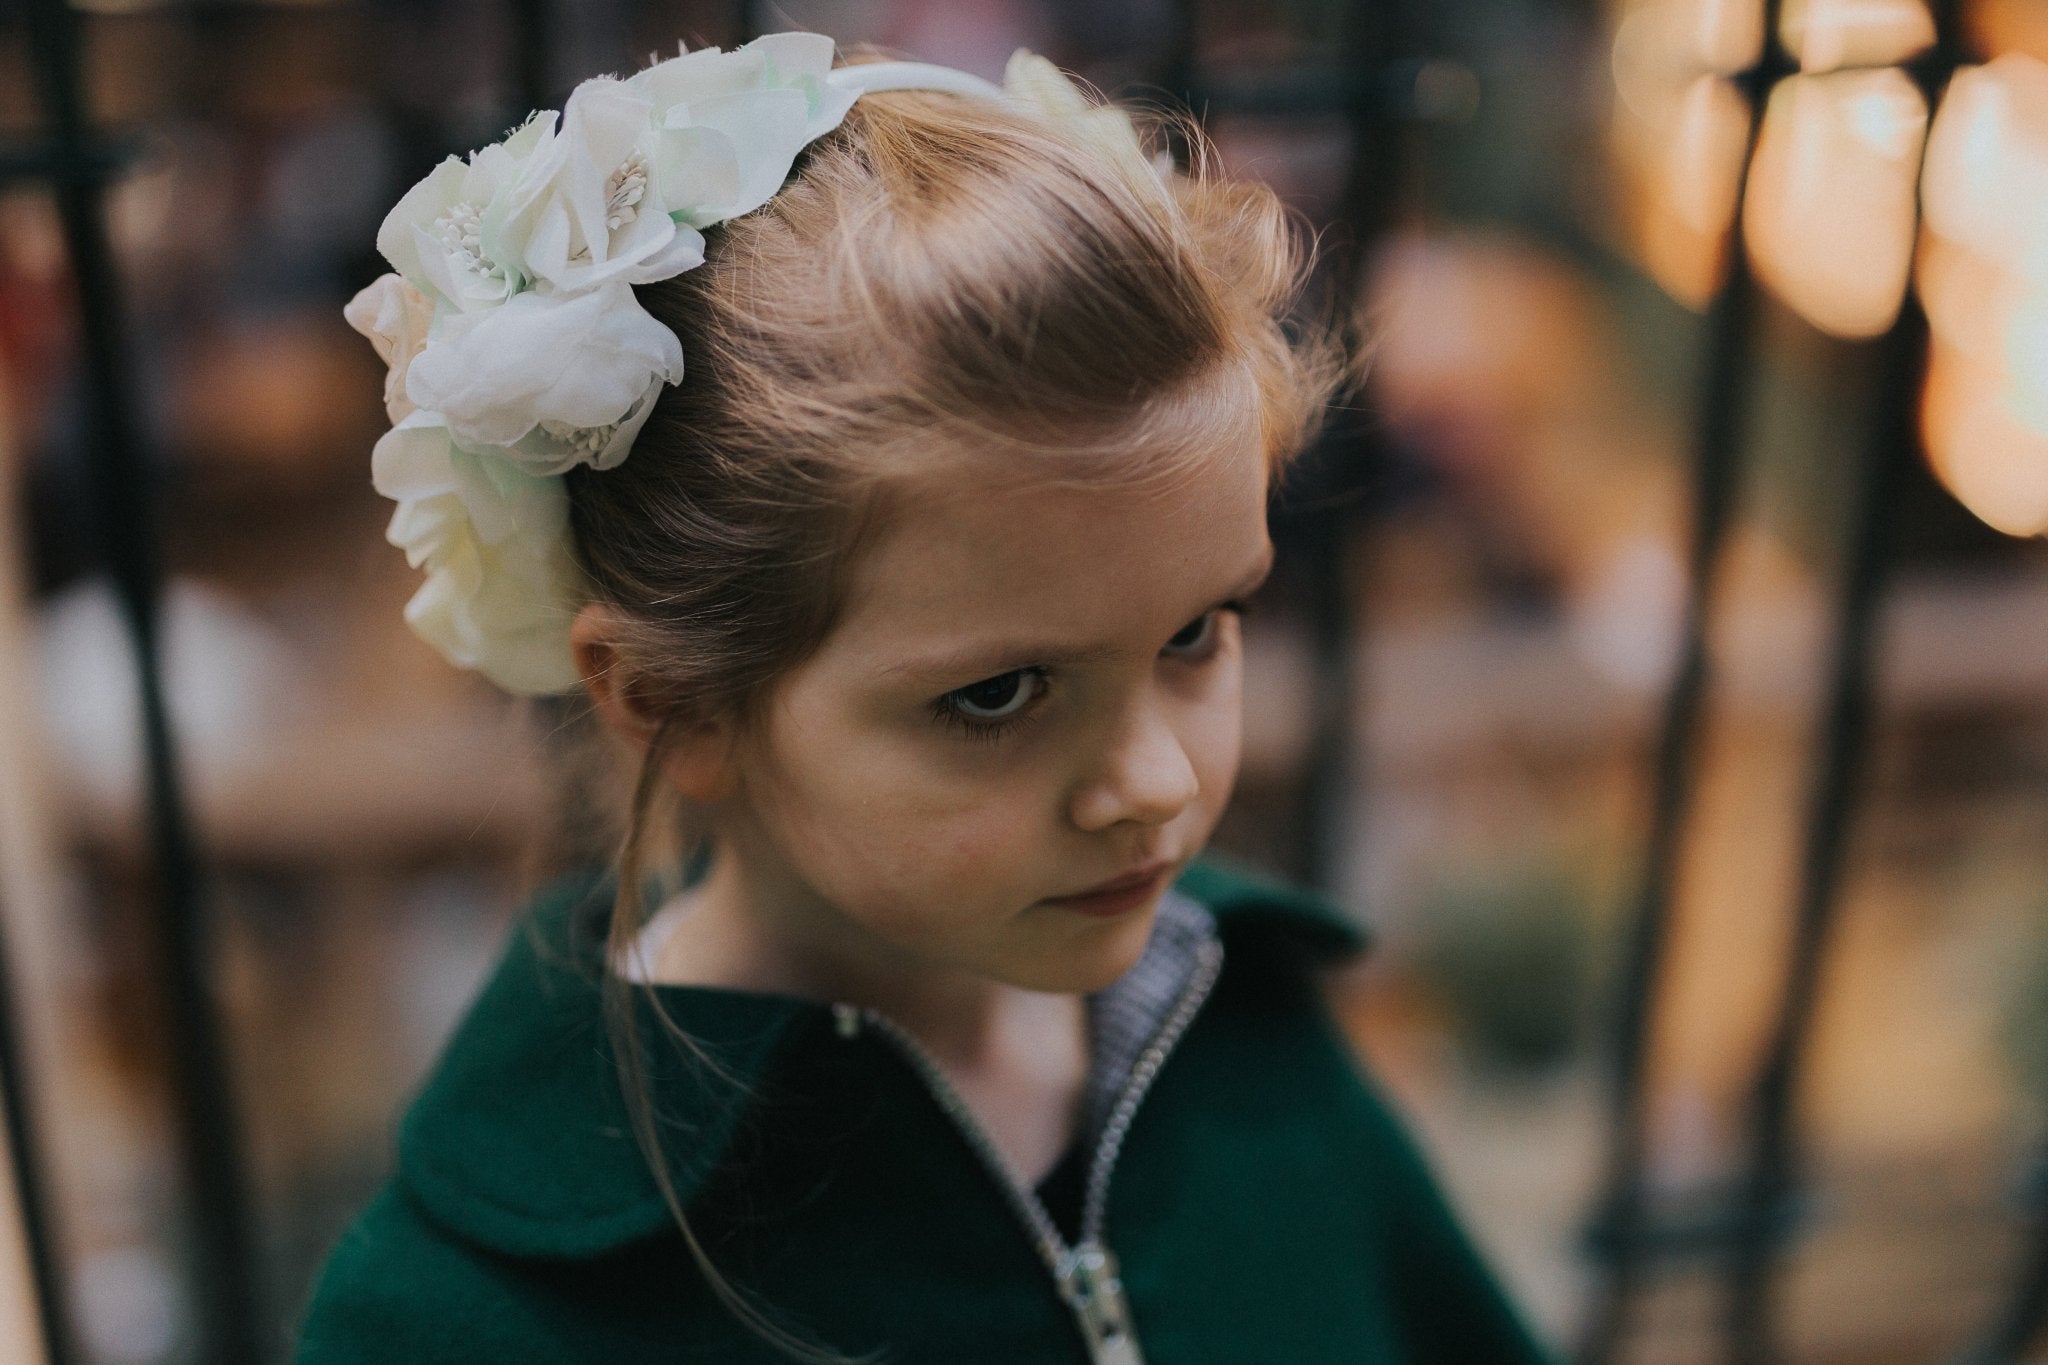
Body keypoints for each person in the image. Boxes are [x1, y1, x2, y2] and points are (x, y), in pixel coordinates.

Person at [298, 32, 1553, 1365]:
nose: (1159, 783)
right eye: (1000, 693)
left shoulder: (1250, 1055)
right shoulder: (472, 1318)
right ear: (673, 701)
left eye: (1196, 631)